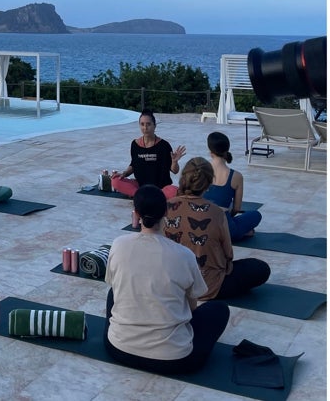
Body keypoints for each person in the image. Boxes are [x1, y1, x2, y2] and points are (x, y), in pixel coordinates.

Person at [104, 184, 230, 375]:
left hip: (119, 349)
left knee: (113, 293)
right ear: (166, 212)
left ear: (136, 213)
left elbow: (113, 284)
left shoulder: (118, 244)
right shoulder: (183, 254)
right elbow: (192, 307)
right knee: (219, 310)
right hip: (173, 360)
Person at [166, 157, 271, 300]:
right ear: (209, 184)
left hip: (171, 283)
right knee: (260, 269)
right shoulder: (217, 212)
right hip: (207, 285)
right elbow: (228, 255)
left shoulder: (165, 206)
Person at [111, 109, 186, 199]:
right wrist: (125, 173)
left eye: (148, 124)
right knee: (115, 181)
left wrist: (174, 162)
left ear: (154, 126)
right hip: (140, 186)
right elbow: (134, 164)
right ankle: (143, 195)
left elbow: (174, 171)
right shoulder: (135, 144)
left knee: (176, 192)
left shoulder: (163, 145)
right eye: (142, 124)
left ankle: (143, 196)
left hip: (160, 188)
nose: (145, 128)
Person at [203, 132, 262, 241]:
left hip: (201, 224)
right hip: (225, 227)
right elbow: (236, 209)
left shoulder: (200, 170)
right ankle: (238, 232)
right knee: (255, 215)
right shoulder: (236, 176)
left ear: (210, 150)